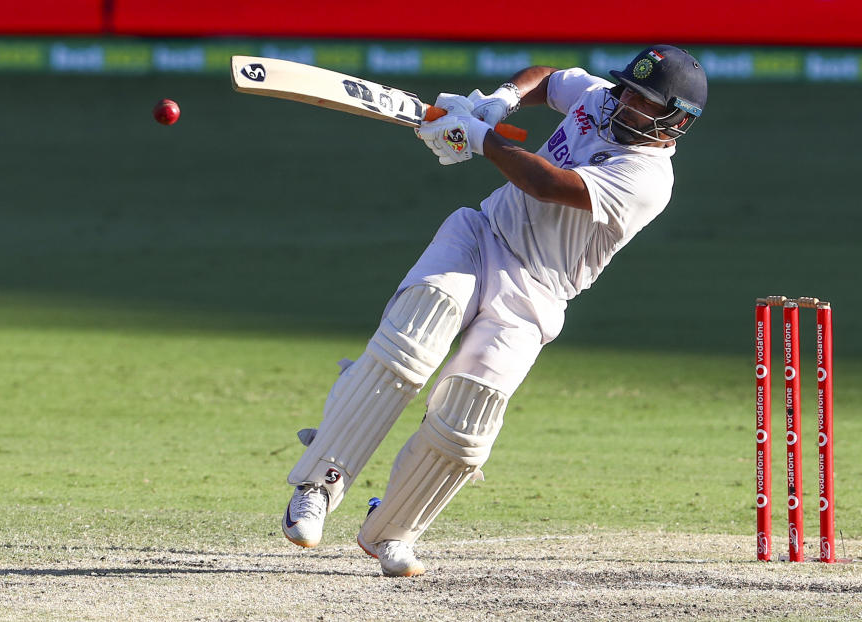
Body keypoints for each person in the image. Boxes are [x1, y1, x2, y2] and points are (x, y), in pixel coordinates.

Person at [280, 45, 708, 577]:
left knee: (468, 421)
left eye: (642, 101)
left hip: (538, 293)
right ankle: (317, 485)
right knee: (412, 342)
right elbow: (549, 79)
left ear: (674, 120)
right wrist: (500, 102)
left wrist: (480, 139)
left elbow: (548, 184)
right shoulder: (600, 99)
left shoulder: (647, 180)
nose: (623, 103)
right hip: (482, 235)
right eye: (626, 90)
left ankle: (391, 529)